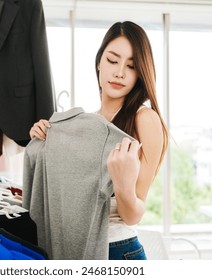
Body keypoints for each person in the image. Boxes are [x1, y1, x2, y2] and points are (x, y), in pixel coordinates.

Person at [29, 21, 168, 260]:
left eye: (131, 66)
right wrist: (42, 142)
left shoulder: (144, 119)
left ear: (140, 74)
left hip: (117, 250)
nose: (119, 72)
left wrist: (123, 186)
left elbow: (134, 214)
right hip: (72, 249)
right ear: (98, 63)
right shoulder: (84, 124)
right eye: (113, 61)